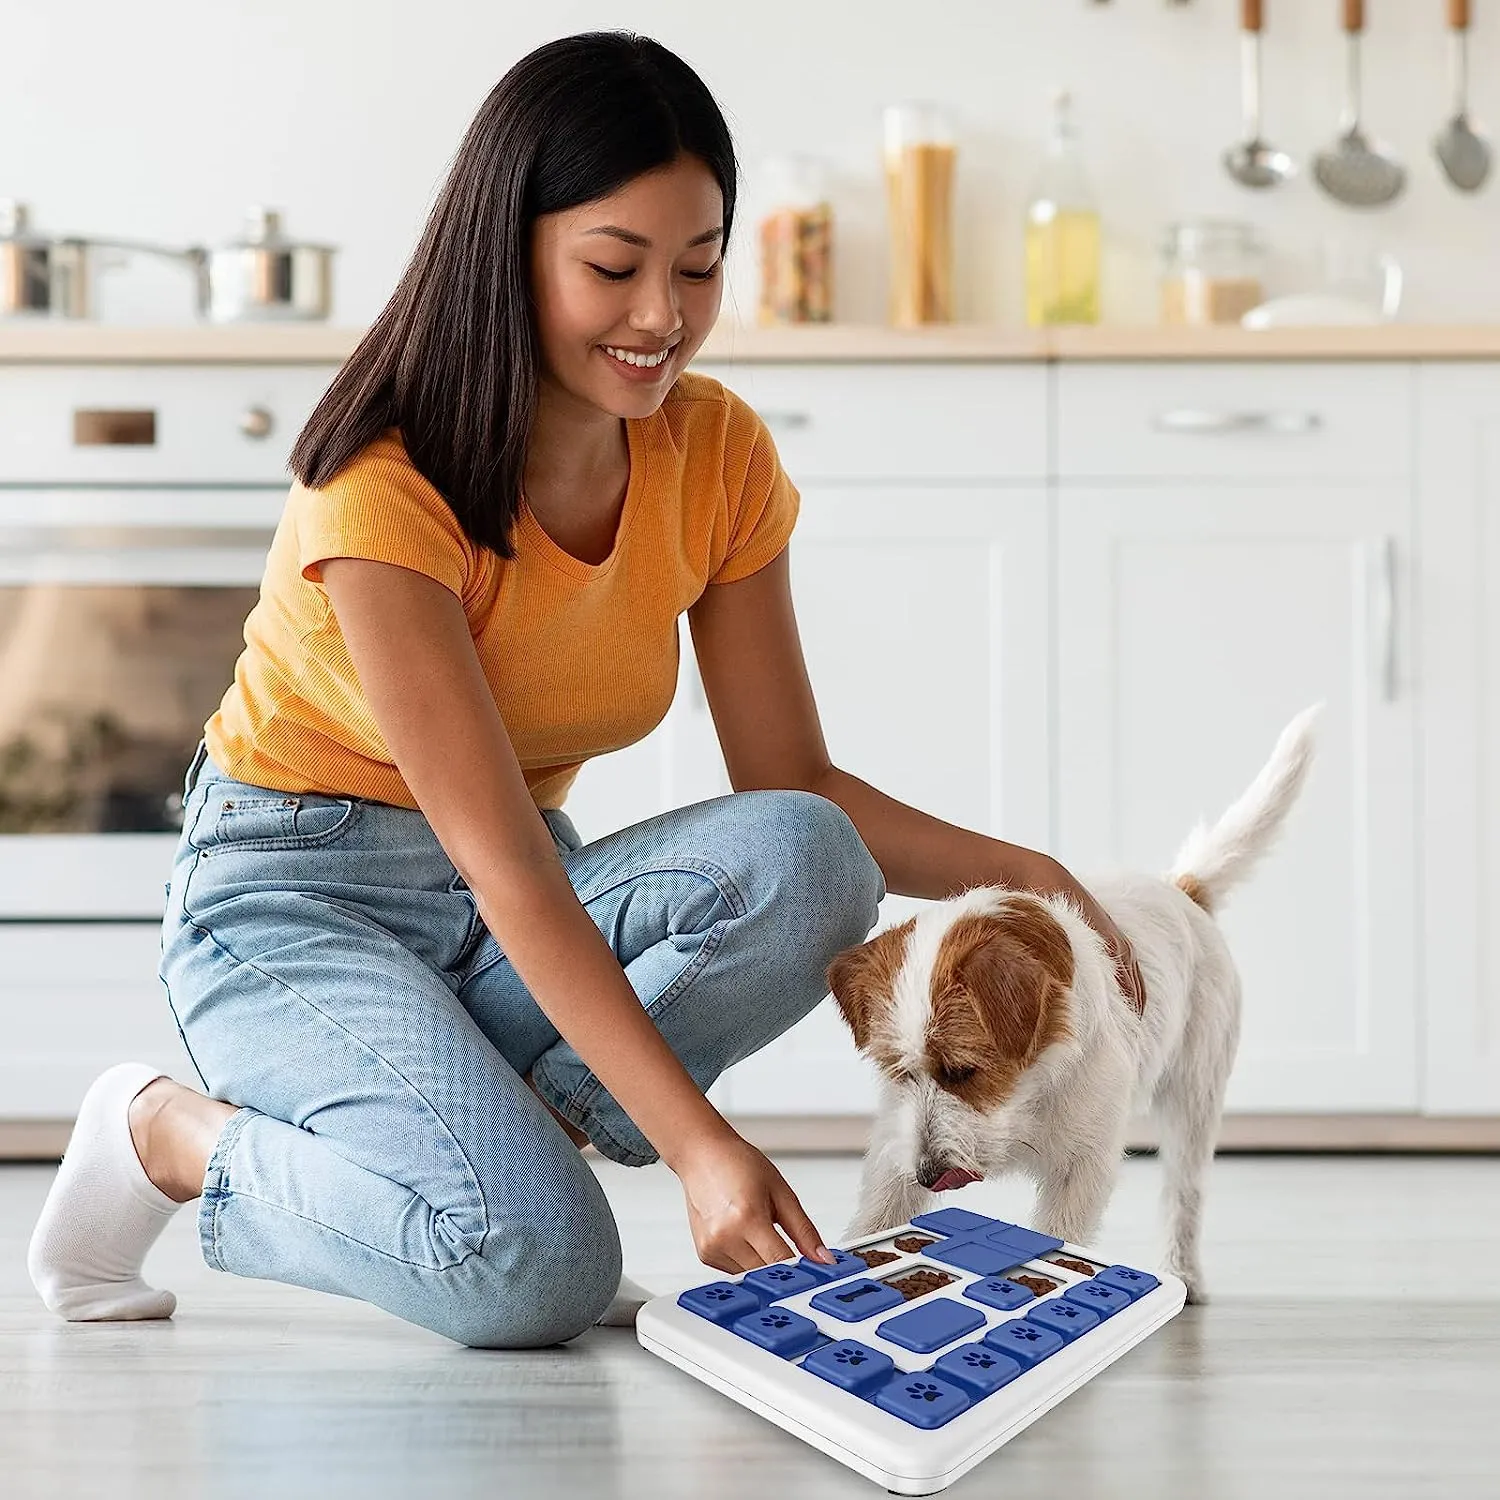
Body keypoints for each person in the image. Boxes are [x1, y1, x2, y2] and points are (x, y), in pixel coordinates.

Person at [26, 30, 1144, 1349]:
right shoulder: (386, 483)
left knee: (813, 856)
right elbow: (503, 865)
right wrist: (700, 1148)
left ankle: (499, 1147)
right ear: (511, 251)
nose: (661, 315)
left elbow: (793, 786)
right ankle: (167, 1137)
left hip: (507, 907)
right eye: (613, 267)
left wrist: (1039, 878)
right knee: (533, 1278)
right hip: (295, 902)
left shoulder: (713, 453)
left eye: (699, 264)